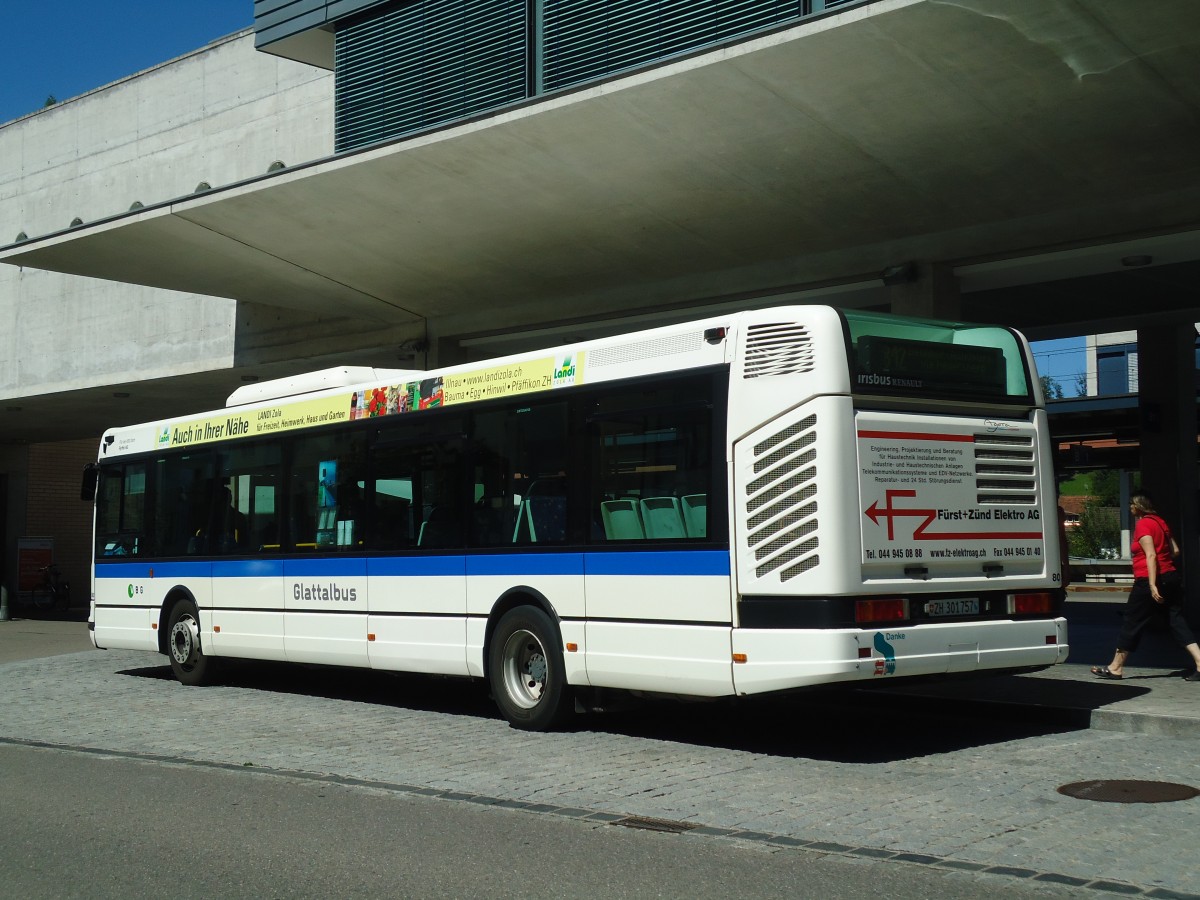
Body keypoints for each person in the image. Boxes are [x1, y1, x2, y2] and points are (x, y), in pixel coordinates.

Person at [1092, 492, 1200, 681]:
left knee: (1132, 621)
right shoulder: (1160, 522)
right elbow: (1175, 551)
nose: (1129, 508)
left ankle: (1115, 668)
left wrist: (1151, 585)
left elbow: (1151, 556)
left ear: (1138, 506)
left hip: (1149, 580)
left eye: (1131, 504)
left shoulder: (1143, 524)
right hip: (1171, 577)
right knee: (1176, 621)